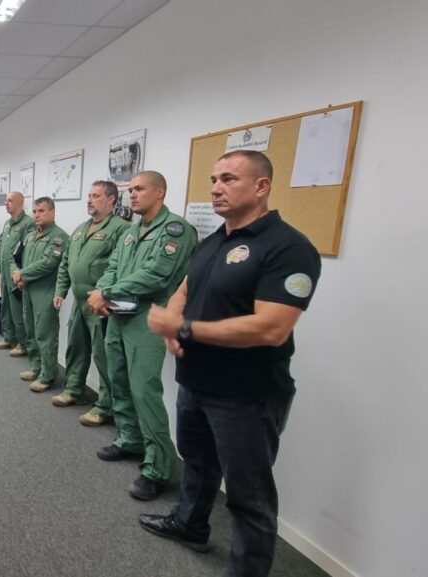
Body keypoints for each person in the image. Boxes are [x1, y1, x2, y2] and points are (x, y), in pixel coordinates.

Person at [139, 151, 320, 577]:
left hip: (246, 394)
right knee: (197, 464)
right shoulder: (213, 241)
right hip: (196, 383)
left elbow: (272, 327)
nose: (216, 188)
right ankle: (190, 524)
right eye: (213, 180)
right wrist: (171, 323)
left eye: (228, 179)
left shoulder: (289, 247)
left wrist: (183, 328)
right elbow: (186, 288)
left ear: (261, 186)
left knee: (247, 494)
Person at [87, 170, 197, 501]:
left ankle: (158, 467)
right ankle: (129, 439)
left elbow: (157, 275)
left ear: (159, 192)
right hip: (118, 315)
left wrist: (106, 293)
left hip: (147, 319)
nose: (132, 195)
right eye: (130, 189)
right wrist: (103, 292)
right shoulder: (131, 231)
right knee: (118, 380)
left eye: (139, 189)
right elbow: (112, 267)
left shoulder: (176, 230)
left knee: (144, 390)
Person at [52, 181, 131, 417]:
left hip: (101, 303)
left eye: (95, 196)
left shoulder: (121, 229)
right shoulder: (80, 229)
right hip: (79, 301)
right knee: (76, 347)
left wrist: (107, 295)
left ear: (111, 199)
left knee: (103, 354)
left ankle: (106, 405)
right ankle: (74, 389)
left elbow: (120, 268)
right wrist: (60, 290)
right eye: (88, 195)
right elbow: (66, 262)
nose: (89, 200)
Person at [14, 197, 68, 393]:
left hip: (46, 291)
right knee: (30, 330)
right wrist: (19, 275)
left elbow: (48, 263)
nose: (36, 215)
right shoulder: (30, 236)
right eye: (35, 211)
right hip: (28, 289)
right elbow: (19, 258)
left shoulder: (59, 237)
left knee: (45, 334)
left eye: (41, 211)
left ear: (52, 212)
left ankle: (48, 375)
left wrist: (22, 274)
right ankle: (35, 367)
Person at [0, 191, 32, 357]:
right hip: (5, 273)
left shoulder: (28, 223)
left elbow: (28, 251)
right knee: (6, 307)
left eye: (10, 200)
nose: (6, 203)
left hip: (16, 273)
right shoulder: (8, 223)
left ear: (20, 203)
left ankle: (22, 343)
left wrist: (22, 274)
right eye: (6, 201)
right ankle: (9, 337)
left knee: (17, 309)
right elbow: (2, 246)